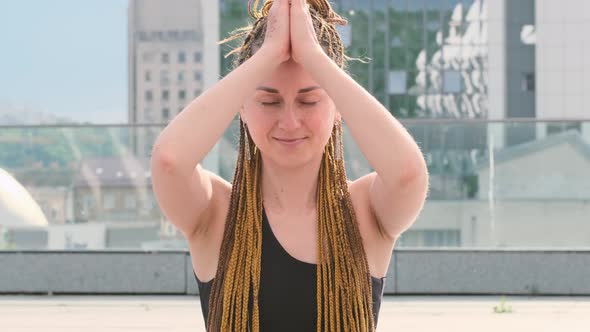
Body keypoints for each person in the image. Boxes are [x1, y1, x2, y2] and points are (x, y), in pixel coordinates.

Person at [150, 0, 429, 331]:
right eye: (269, 101)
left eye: (309, 100)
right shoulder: (215, 212)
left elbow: (409, 174)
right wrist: (269, 55)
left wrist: (312, 55)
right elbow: (169, 161)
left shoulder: (366, 209)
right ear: (241, 104)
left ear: (339, 104)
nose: (290, 122)